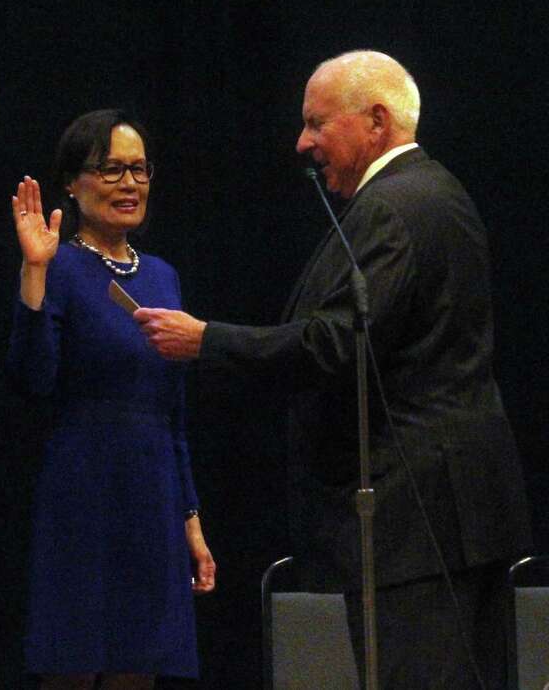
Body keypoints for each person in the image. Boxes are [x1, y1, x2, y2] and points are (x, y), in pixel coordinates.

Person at [139, 51, 532, 689]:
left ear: (376, 121)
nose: (303, 142)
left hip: (414, 521)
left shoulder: (395, 206)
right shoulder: (433, 192)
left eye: (318, 124)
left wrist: (207, 340)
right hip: (448, 518)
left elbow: (335, 345)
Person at [7, 109, 216, 690]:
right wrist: (34, 271)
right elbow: (31, 379)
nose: (130, 184)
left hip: (153, 494)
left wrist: (191, 519)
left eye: (140, 170)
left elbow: (173, 413)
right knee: (73, 664)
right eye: (112, 170)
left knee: (139, 666)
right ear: (72, 183)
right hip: (82, 493)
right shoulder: (59, 265)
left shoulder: (164, 276)